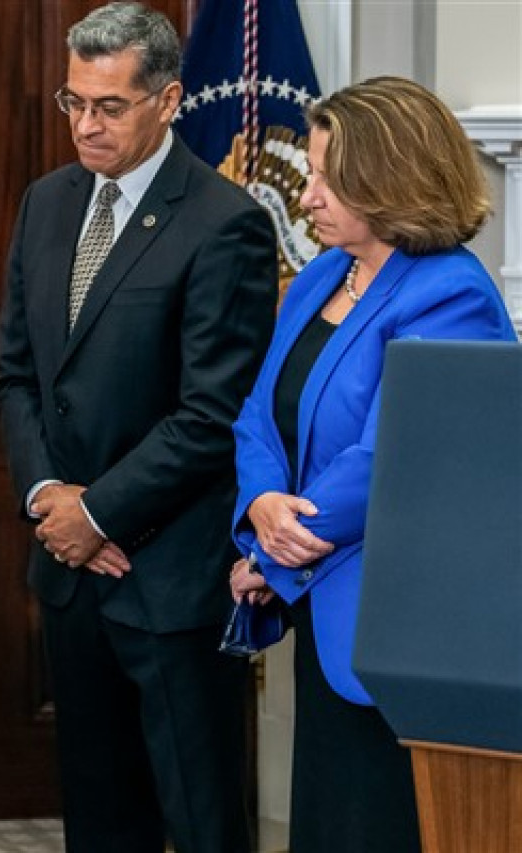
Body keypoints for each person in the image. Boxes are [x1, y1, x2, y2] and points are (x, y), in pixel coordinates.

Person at [0, 3, 279, 851]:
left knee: (201, 821)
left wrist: (100, 512)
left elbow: (211, 413)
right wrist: (51, 501)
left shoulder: (226, 221)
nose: (86, 124)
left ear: (168, 100)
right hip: (71, 574)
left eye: (109, 106)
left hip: (171, 580)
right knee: (100, 820)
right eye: (73, 102)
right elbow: (18, 375)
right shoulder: (46, 203)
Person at [228, 76, 517, 853]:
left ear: (390, 179)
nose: (307, 196)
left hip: (395, 628)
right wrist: (260, 504)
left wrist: (276, 549)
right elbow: (259, 412)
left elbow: (391, 455)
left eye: (329, 177)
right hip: (321, 605)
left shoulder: (452, 294)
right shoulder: (324, 274)